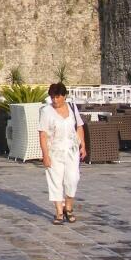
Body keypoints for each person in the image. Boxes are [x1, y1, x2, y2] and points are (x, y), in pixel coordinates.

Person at [38, 82, 87, 225]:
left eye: (57, 97)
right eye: (52, 97)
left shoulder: (72, 107)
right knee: (55, 181)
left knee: (73, 179)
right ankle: (59, 212)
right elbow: (43, 134)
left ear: (64, 96)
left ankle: (69, 206)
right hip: (54, 150)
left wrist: (82, 144)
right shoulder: (46, 111)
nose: (55, 100)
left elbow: (79, 126)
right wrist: (45, 155)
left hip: (71, 149)